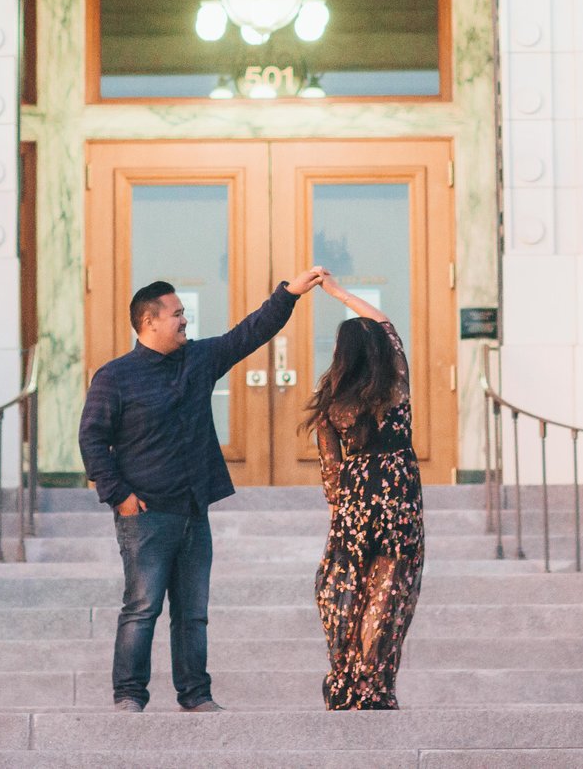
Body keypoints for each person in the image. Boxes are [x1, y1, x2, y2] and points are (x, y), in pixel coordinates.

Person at [78, 267, 327, 712]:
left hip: (194, 510)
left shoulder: (199, 360)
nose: (185, 321)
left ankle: (195, 696)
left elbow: (248, 333)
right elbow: (92, 440)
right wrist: (119, 496)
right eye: (177, 314)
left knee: (192, 615)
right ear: (149, 320)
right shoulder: (115, 377)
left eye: (183, 313)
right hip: (145, 514)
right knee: (142, 609)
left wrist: (288, 294)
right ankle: (129, 696)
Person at [305, 273, 424, 710]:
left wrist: (345, 507)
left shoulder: (332, 405)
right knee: (387, 591)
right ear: (378, 353)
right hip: (398, 501)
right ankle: (374, 686)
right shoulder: (395, 389)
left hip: (355, 505)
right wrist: (339, 294)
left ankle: (345, 680)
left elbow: (331, 479)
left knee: (347, 588)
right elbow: (386, 325)